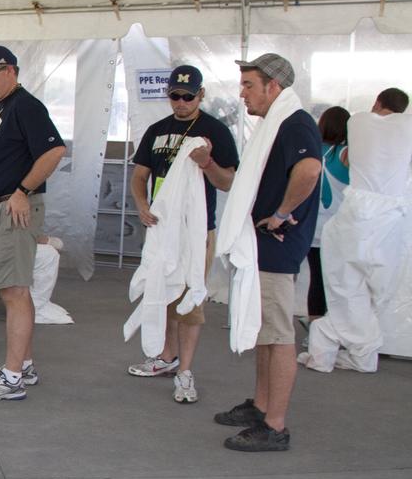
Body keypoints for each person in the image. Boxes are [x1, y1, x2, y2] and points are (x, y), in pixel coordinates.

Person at [215, 54, 321, 452]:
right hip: (262, 247)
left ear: (273, 87)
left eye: (249, 85)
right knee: (264, 330)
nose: (242, 94)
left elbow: (309, 171)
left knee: (277, 335)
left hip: (276, 248)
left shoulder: (294, 123)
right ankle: (261, 406)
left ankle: (275, 425)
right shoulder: (276, 125)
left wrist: (281, 213)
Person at [126, 64, 238, 403]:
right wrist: (142, 204)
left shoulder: (215, 130)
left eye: (188, 96)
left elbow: (228, 181)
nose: (180, 102)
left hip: (195, 231)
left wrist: (206, 163)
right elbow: (139, 174)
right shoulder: (157, 130)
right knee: (161, 292)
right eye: (174, 95)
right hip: (162, 228)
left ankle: (185, 371)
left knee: (190, 300)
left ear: (201, 94)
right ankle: (166, 357)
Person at [0, 45, 67, 402]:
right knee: (16, 290)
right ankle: (23, 365)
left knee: (14, 291)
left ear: (10, 71)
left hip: (13, 208)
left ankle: (12, 378)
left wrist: (22, 190)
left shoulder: (26, 106)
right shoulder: (2, 110)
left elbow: (54, 151)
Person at [300, 87, 412, 372]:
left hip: (355, 217)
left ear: (377, 102)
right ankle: (360, 352)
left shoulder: (359, 122)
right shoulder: (405, 129)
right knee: (373, 293)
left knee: (341, 287)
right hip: (390, 222)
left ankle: (329, 348)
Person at [309, 106, 350, 320]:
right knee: (339, 281)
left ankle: (315, 329)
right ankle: (337, 327)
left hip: (311, 227)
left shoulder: (312, 149)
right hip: (339, 227)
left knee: (317, 280)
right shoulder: (345, 154)